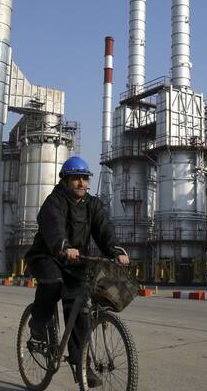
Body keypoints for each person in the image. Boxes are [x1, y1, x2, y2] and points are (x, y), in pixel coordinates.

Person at [25, 156, 129, 388]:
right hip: (47, 255)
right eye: (76, 179)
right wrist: (62, 245)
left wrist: (115, 250)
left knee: (81, 308)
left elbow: (104, 229)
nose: (81, 183)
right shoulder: (54, 201)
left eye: (84, 178)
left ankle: (81, 365)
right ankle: (38, 324)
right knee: (52, 282)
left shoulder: (93, 204)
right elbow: (54, 227)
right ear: (65, 180)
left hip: (76, 260)